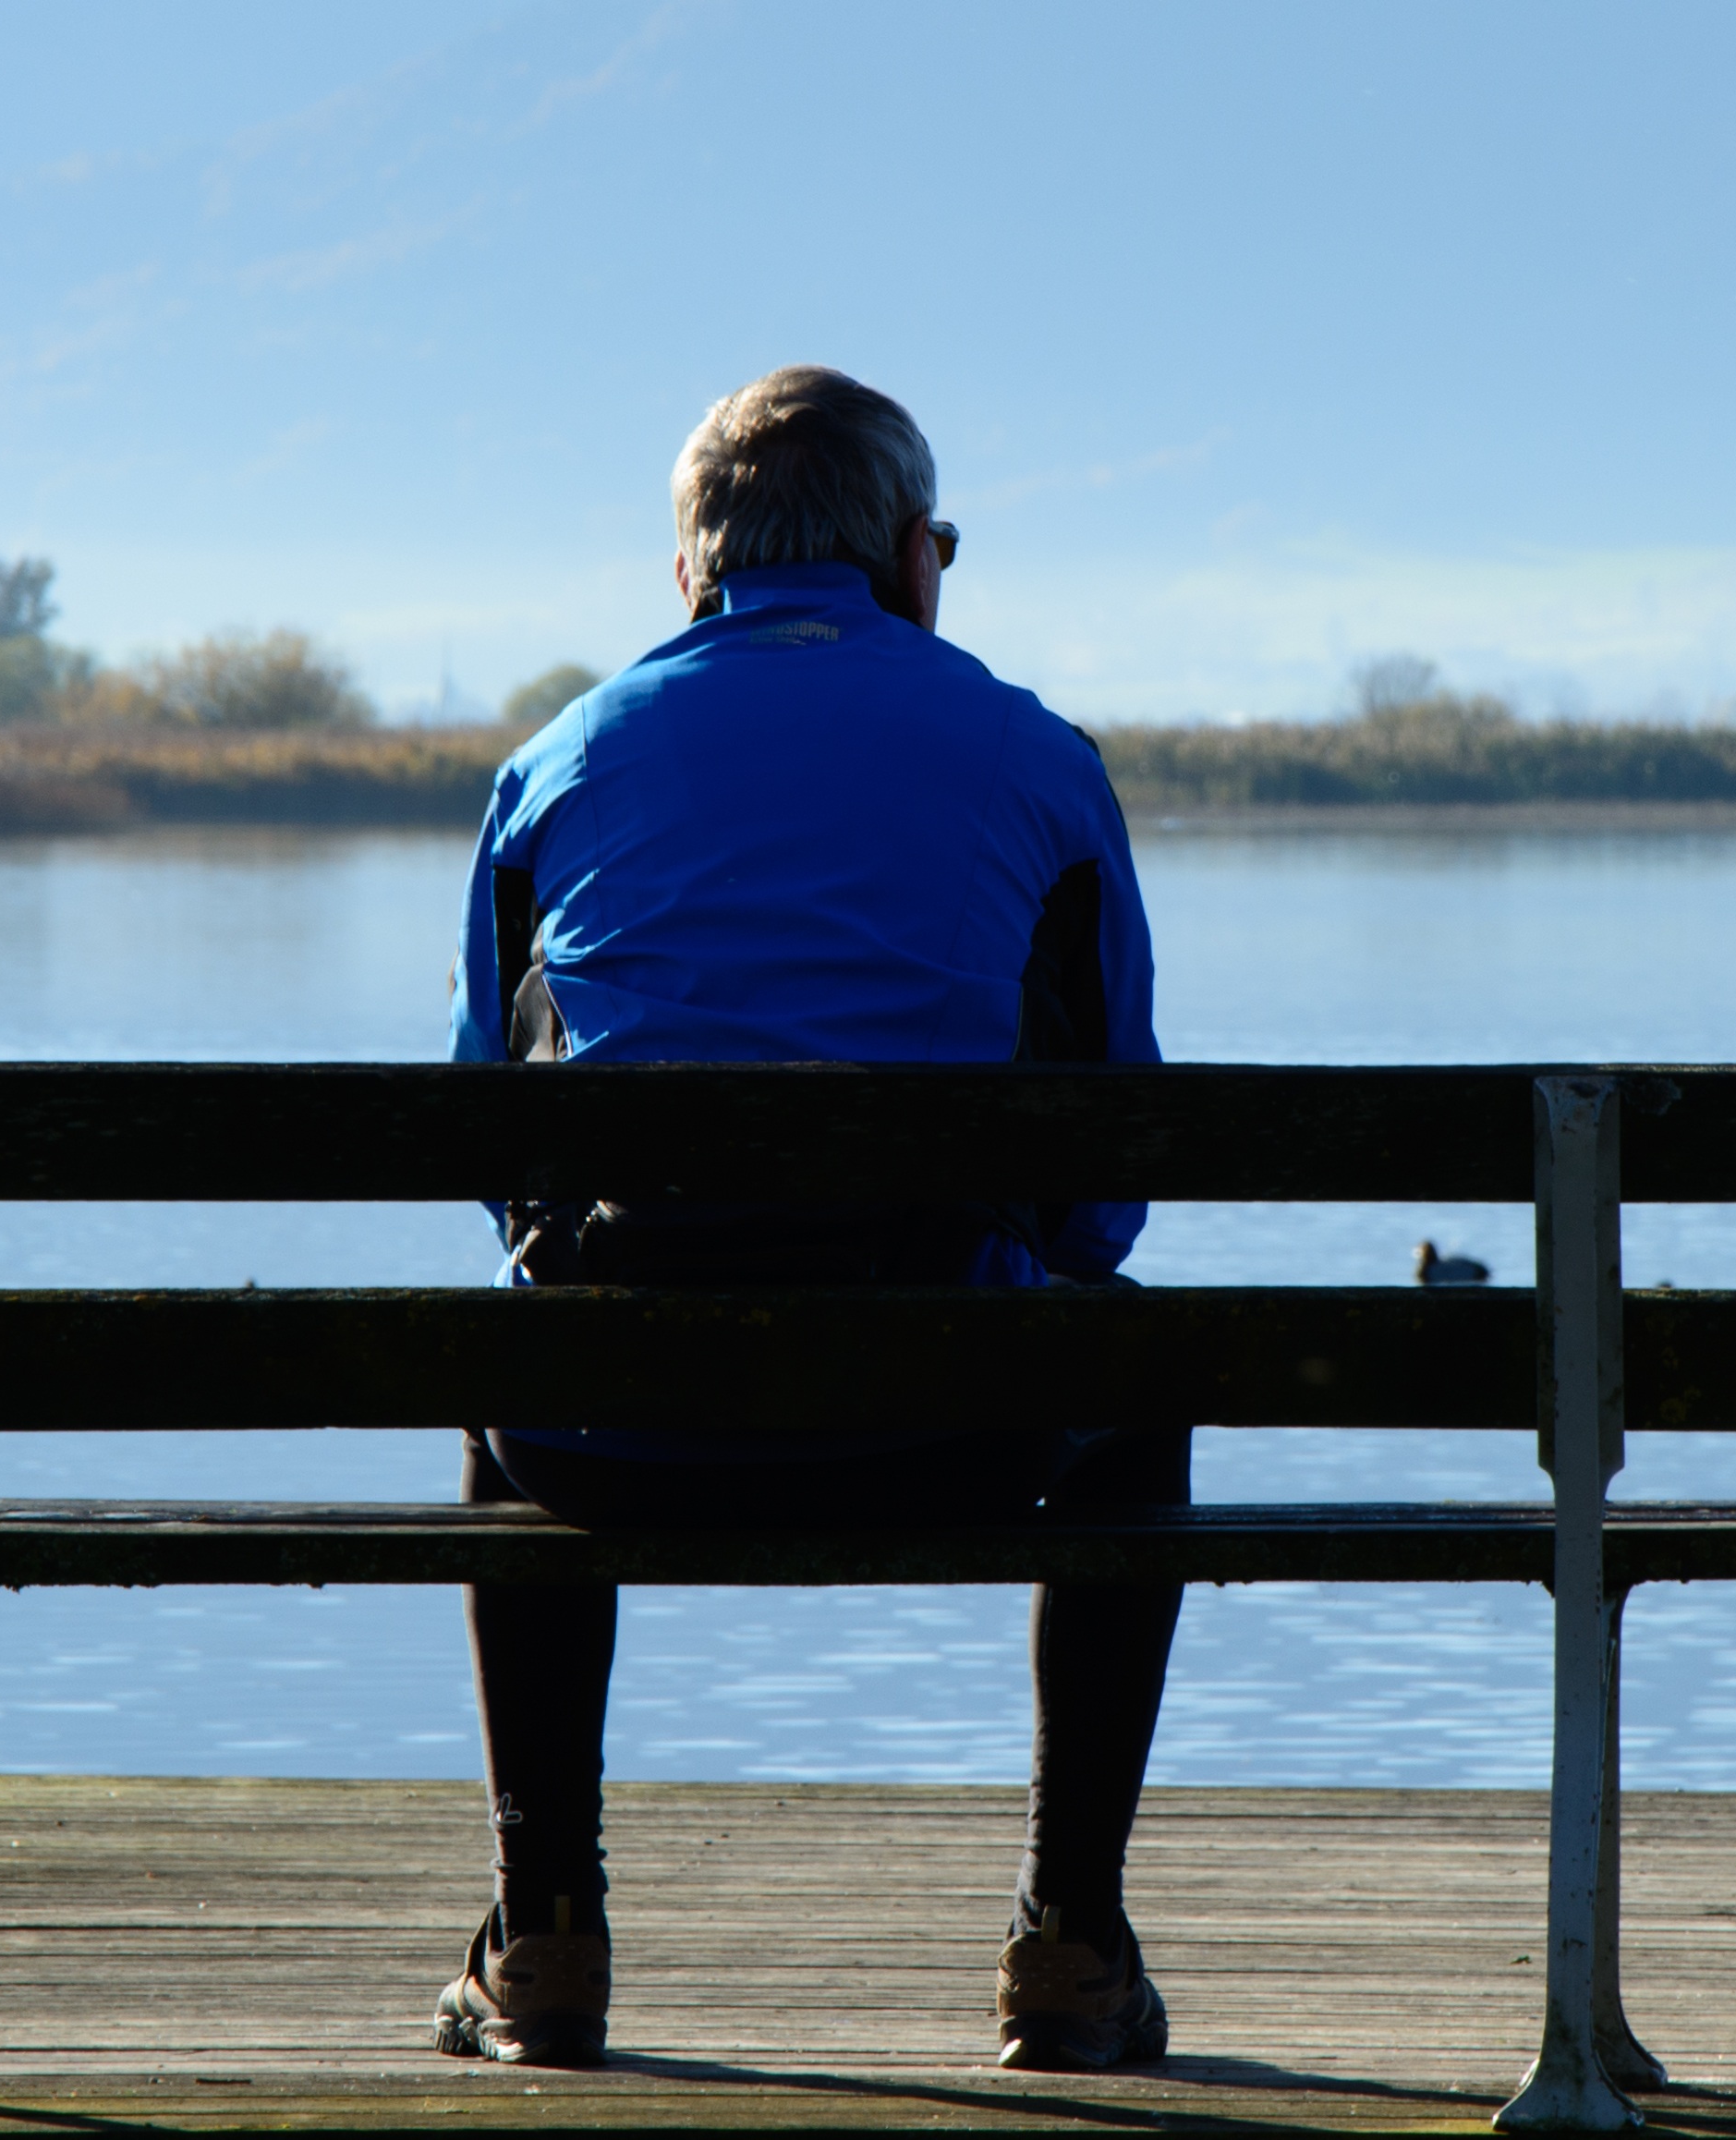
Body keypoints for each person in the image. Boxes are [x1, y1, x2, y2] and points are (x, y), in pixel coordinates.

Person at [433, 365, 1182, 2076]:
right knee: (1141, 1377)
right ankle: (1069, 1948)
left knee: (506, 1367)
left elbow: (496, 1151)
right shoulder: (1039, 762)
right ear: (914, 554)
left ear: (690, 573)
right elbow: (1104, 1189)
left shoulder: (555, 766)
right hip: (953, 1430)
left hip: (614, 1435)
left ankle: (543, 1940)